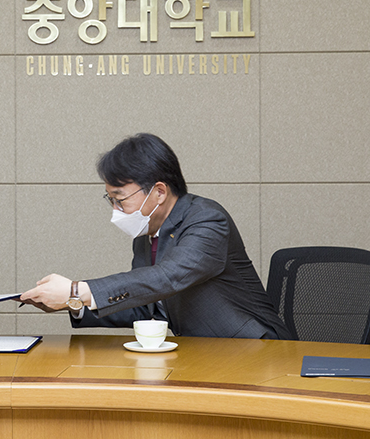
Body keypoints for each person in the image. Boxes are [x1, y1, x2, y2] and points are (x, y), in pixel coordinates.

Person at [20, 133, 292, 340]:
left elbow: (167, 277)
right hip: (203, 353)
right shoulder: (146, 233)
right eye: (110, 199)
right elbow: (144, 304)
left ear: (159, 192)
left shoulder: (207, 219)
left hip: (256, 349)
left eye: (120, 199)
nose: (116, 210)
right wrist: (74, 303)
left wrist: (76, 290)